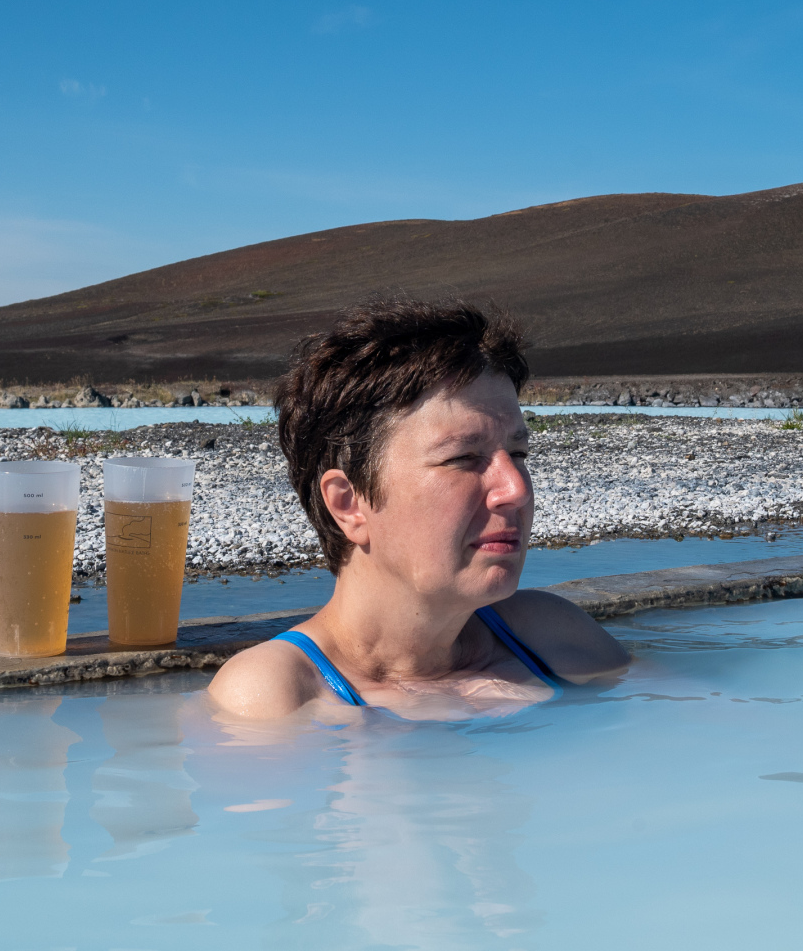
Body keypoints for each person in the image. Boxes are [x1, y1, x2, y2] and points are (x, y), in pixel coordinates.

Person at [208, 300, 630, 720]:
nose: (516, 490)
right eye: (463, 457)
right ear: (349, 503)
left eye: (518, 454)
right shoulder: (276, 695)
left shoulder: (551, 636)